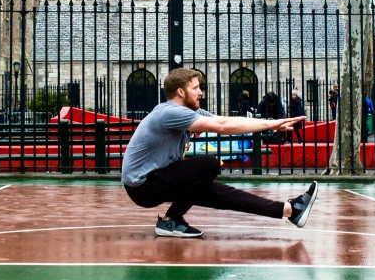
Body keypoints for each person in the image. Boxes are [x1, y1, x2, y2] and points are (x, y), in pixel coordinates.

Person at [122, 68, 318, 238]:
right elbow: (222, 126)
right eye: (196, 88)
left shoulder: (190, 113)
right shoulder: (169, 113)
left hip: (157, 180)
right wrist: (272, 124)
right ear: (181, 91)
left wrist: (271, 123)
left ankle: (291, 211)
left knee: (221, 194)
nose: (201, 92)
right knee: (208, 164)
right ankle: (171, 220)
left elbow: (227, 121)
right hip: (143, 186)